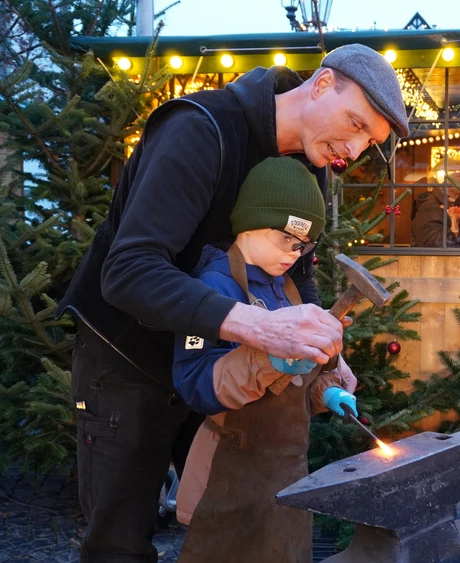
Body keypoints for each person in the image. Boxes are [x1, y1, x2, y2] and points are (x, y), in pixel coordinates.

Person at [56, 43, 408, 563]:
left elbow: (298, 273)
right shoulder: (199, 130)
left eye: (369, 142)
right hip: (128, 363)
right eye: (355, 124)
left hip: (216, 369)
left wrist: (324, 350)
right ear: (321, 84)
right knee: (119, 545)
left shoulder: (309, 163)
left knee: (230, 528)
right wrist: (260, 329)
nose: (353, 150)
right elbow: (129, 271)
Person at [171, 158, 358, 562]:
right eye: (286, 239)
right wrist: (269, 360)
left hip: (284, 473)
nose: (294, 254)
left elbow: (295, 382)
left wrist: (326, 390)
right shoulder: (212, 289)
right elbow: (196, 385)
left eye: (304, 246)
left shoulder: (285, 289)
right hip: (229, 473)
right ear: (249, 223)